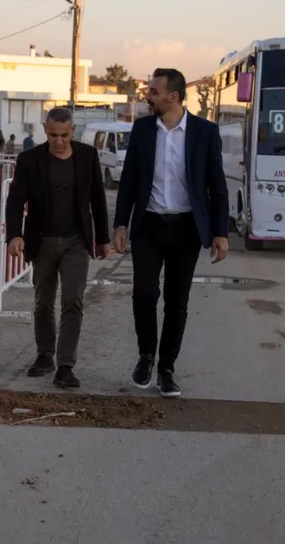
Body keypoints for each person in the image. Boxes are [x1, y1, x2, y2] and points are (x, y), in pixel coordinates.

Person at [113, 68, 229, 398]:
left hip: (186, 229)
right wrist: (120, 224)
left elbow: (217, 185)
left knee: (177, 302)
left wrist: (220, 232)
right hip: (148, 227)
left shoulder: (205, 132)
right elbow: (129, 180)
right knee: (144, 295)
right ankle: (146, 356)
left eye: (153, 91)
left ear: (173, 96)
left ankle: (166, 368)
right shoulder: (143, 129)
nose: (148, 96)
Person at [6, 107, 111, 389]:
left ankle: (65, 365)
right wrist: (14, 235)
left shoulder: (87, 156)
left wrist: (103, 239)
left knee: (73, 301)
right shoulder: (30, 160)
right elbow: (15, 200)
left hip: (76, 241)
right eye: (53, 135)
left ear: (72, 131)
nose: (59, 141)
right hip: (42, 240)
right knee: (43, 301)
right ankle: (45, 354)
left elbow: (98, 198)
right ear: (45, 130)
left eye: (64, 135)